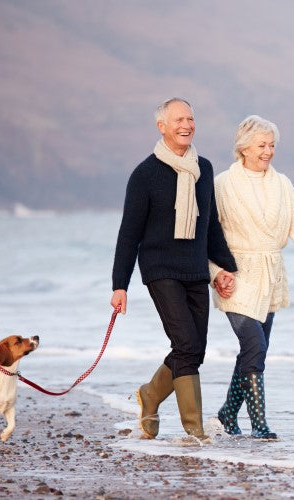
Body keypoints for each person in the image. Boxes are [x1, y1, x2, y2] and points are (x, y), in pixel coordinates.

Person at [110, 97, 238, 441]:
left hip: (195, 269)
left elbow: (210, 226)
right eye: (179, 119)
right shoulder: (145, 174)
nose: (187, 125)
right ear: (162, 126)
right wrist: (119, 285)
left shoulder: (204, 168)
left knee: (194, 348)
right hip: (160, 269)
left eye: (191, 119)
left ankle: (149, 395)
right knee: (185, 343)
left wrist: (227, 268)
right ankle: (195, 429)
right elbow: (129, 233)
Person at [210, 115, 294, 439]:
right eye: (262, 145)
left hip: (271, 274)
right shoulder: (224, 183)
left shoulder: (282, 183)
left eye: (272, 145)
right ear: (244, 147)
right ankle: (259, 424)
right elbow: (210, 234)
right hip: (235, 275)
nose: (268, 151)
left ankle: (226, 414)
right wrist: (215, 272)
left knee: (255, 350)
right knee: (254, 344)